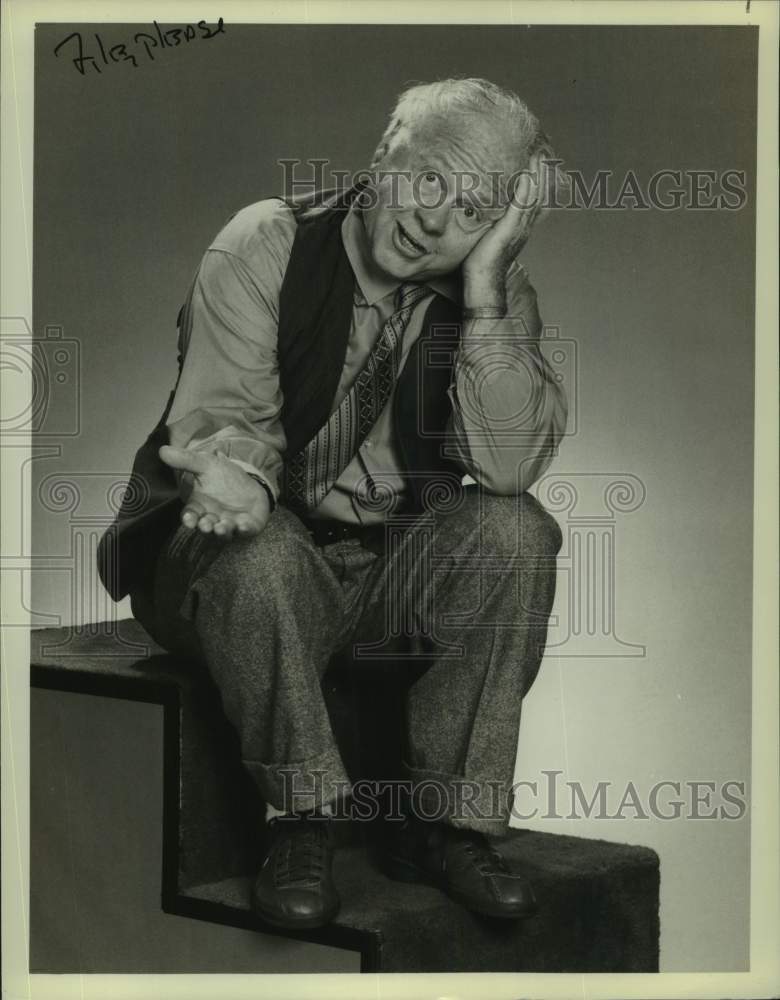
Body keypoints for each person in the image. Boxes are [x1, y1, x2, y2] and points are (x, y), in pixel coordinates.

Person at [97, 77, 568, 930]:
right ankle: (304, 819)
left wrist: (489, 282)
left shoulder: (491, 296)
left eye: (472, 211)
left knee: (517, 532)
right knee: (261, 550)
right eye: (429, 179)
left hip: (380, 576)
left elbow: (505, 468)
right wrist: (234, 475)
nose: (435, 221)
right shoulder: (265, 242)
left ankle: (442, 825)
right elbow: (223, 418)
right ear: (383, 152)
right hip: (231, 558)